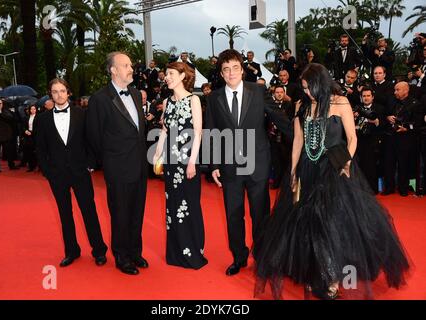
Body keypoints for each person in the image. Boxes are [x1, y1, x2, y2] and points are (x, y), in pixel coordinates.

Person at [254, 63, 410, 300]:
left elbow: (352, 137)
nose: (306, 92)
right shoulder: (301, 105)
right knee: (307, 225)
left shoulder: (340, 102)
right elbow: (298, 141)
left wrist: (347, 162)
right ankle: (316, 272)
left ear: (320, 83)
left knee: (331, 223)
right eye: (304, 88)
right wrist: (294, 171)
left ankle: (333, 281)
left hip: (335, 167)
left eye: (309, 87)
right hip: (307, 167)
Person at [205, 49, 292, 276]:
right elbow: (212, 131)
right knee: (233, 214)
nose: (231, 73)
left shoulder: (258, 91)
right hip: (229, 166)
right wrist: (214, 164)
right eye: (226, 69)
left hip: (257, 163)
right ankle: (239, 257)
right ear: (222, 74)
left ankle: (263, 257)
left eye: (235, 68)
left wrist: (303, 136)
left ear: (242, 70)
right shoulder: (214, 98)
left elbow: (278, 118)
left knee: (260, 213)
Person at [86, 52, 148, 276]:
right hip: (118, 168)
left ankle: (135, 252)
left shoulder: (134, 92)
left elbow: (138, 130)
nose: (131, 68)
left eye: (130, 65)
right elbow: (94, 135)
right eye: (126, 65)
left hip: (140, 166)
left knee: (137, 212)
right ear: (113, 70)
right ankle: (122, 257)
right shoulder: (100, 99)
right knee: (120, 214)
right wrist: (110, 161)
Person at [35, 78, 108, 267]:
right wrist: (48, 171)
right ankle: (71, 251)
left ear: (68, 93)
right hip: (57, 174)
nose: (59, 95)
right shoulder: (42, 120)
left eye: (62, 91)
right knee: (64, 214)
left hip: (80, 171)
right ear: (50, 94)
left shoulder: (82, 114)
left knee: (89, 211)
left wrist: (90, 164)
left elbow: (92, 140)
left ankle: (99, 250)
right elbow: (40, 149)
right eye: (55, 92)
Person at [153, 62, 208, 269]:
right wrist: (157, 155)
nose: (166, 77)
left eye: (171, 73)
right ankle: (176, 253)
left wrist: (192, 162)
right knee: (173, 206)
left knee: (190, 205)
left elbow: (198, 133)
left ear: (183, 76)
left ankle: (193, 251)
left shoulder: (193, 99)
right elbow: (164, 131)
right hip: (170, 161)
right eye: (166, 74)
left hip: (187, 160)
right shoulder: (167, 102)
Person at [22, 104, 38, 172]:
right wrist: (25, 131)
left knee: (36, 152)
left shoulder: (38, 117)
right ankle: (31, 166)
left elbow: (39, 127)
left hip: (35, 136)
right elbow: (23, 126)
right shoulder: (26, 117)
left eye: (34, 109)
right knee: (29, 151)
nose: (33, 110)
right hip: (28, 136)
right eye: (31, 109)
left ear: (36, 110)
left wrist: (32, 132)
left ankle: (38, 166)